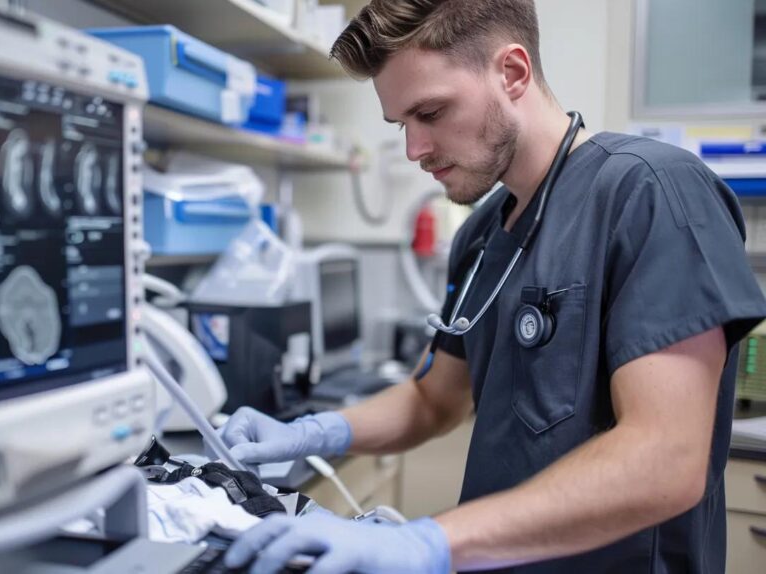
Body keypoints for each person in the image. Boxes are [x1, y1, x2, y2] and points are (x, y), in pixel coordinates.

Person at [215, 1, 766, 572]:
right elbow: (433, 398)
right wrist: (310, 433)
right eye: (403, 123)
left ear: (512, 72)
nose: (414, 150)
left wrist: (426, 541)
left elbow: (666, 460)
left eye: (430, 111)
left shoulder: (652, 193)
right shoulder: (481, 233)